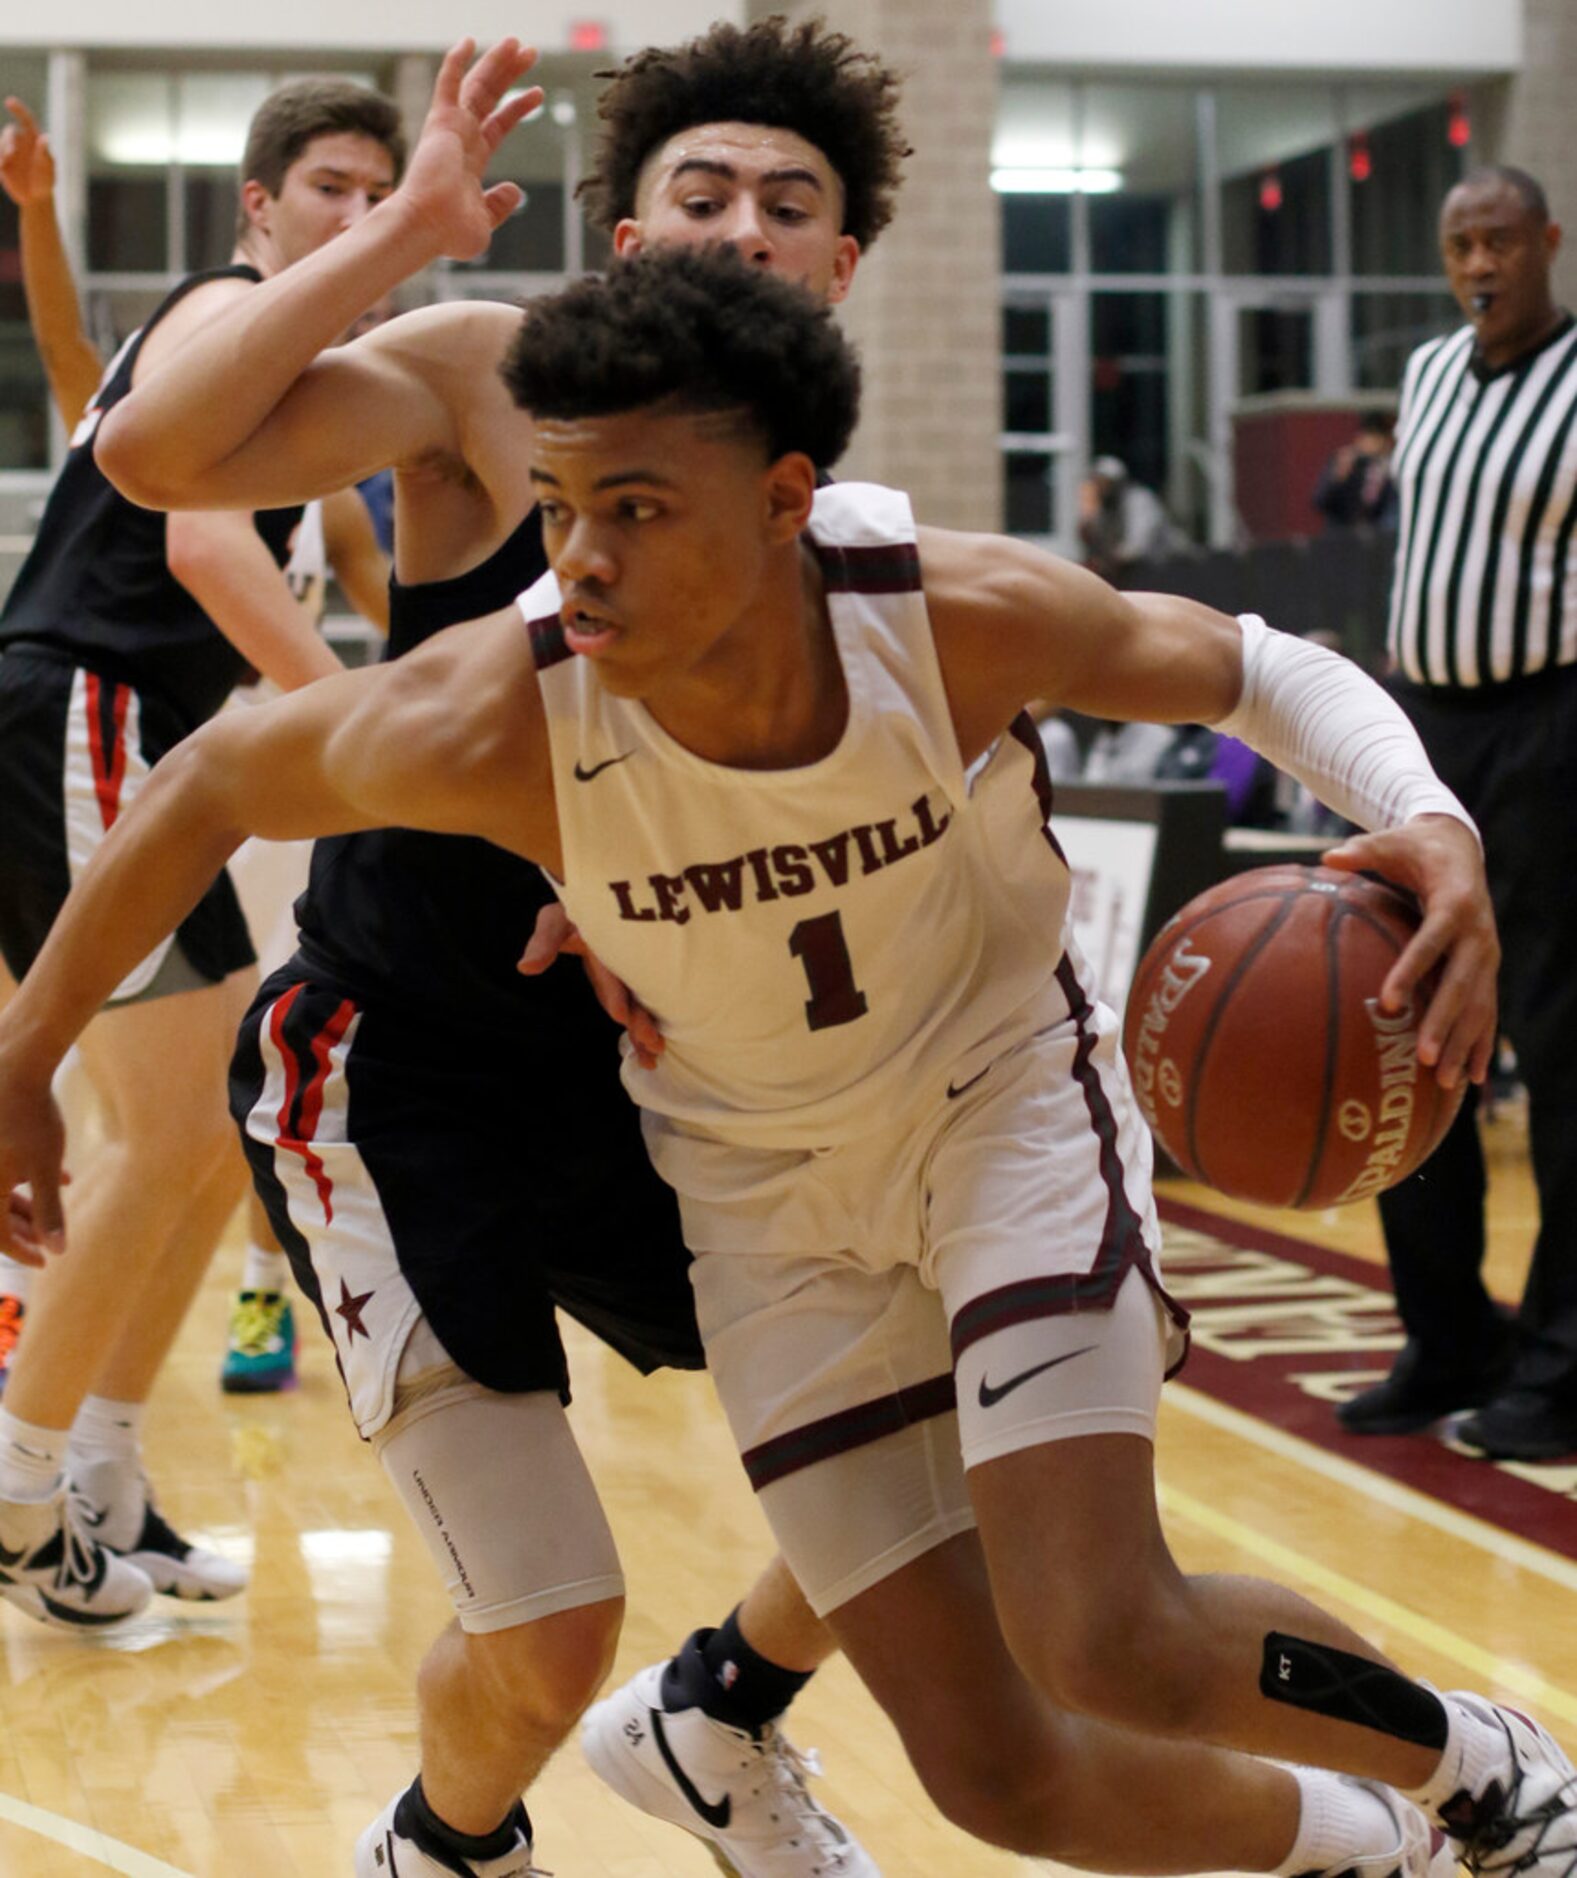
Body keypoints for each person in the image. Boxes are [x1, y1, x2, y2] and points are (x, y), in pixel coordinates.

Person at [7, 235, 1573, 1878]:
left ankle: (1491, 1770)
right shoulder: (505, 709)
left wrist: (1426, 817)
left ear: (783, 499)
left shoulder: (942, 615)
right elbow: (212, 779)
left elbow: (1254, 663)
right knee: (992, 1774)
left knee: (1107, 1634)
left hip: (995, 1109)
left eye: (635, 506)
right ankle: (1366, 1846)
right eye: (555, 505)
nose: (580, 560)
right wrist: (27, 1044)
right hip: (758, 1189)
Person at [92, 26, 911, 1878]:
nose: (742, 229)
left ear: (840, 266)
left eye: (788, 204)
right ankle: (447, 1845)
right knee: (543, 1632)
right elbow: (152, 451)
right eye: (700, 194)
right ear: (626, 234)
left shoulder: (826, 507)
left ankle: (722, 1712)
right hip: (402, 1064)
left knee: (942, 1402)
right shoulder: (491, 372)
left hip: (648, 1070)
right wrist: (404, 234)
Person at [0, 75, 406, 1628]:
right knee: (165, 1135)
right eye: (327, 189)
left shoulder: (308, 411)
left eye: (381, 198)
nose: (356, 220)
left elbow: (68, 373)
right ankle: (24, 1492)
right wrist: (361, 725)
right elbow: (198, 543)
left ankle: (100, 1481)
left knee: (203, 1126)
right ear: (260, 209)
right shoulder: (228, 316)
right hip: (86, 711)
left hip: (136, 742)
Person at [1336, 164, 1577, 1462]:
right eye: (1458, 242)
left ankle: (1564, 1360)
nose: (1479, 260)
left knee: (1557, 1050)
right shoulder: (1428, 374)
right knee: (1407, 1027)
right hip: (1420, 728)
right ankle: (1448, 1337)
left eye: (1499, 238)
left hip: (1551, 727)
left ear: (1547, 241)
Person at [1077, 454, 1184, 582]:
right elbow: (1092, 537)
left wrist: (1115, 557)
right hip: (1126, 569)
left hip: (1160, 565)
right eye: (1098, 482)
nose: (1102, 487)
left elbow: (1137, 544)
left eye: (1105, 482)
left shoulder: (1139, 499)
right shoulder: (1102, 506)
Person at [1313, 410, 1399, 531]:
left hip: (1375, 537)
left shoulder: (1387, 466)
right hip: (1342, 534)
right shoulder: (1346, 461)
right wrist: (1339, 476)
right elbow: (1320, 501)